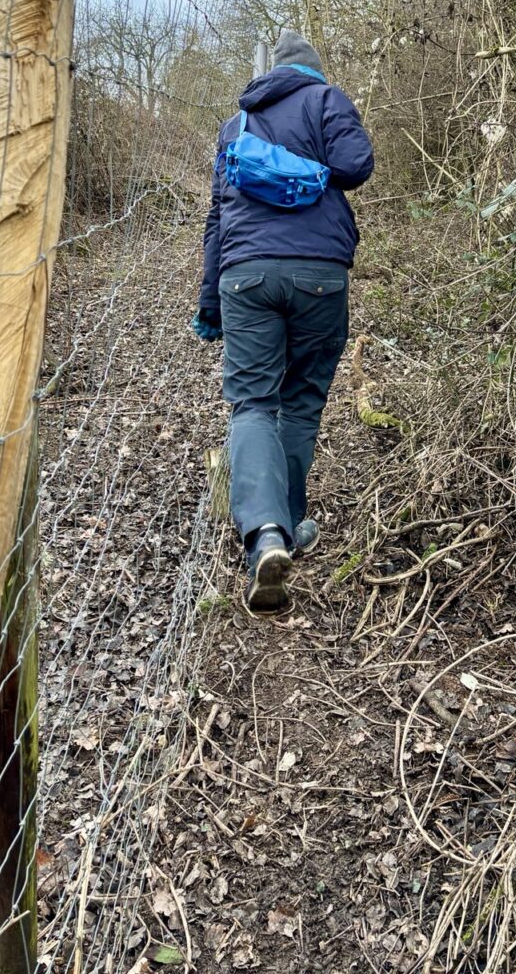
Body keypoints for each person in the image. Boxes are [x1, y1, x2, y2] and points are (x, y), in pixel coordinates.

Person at [192, 30, 375, 612]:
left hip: (245, 274)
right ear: (314, 72)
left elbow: (217, 220)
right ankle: (292, 524)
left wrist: (209, 303)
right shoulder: (328, 101)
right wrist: (309, 165)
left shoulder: (235, 126)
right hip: (319, 271)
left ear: (271, 72)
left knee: (252, 403)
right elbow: (355, 165)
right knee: (300, 399)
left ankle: (266, 534)